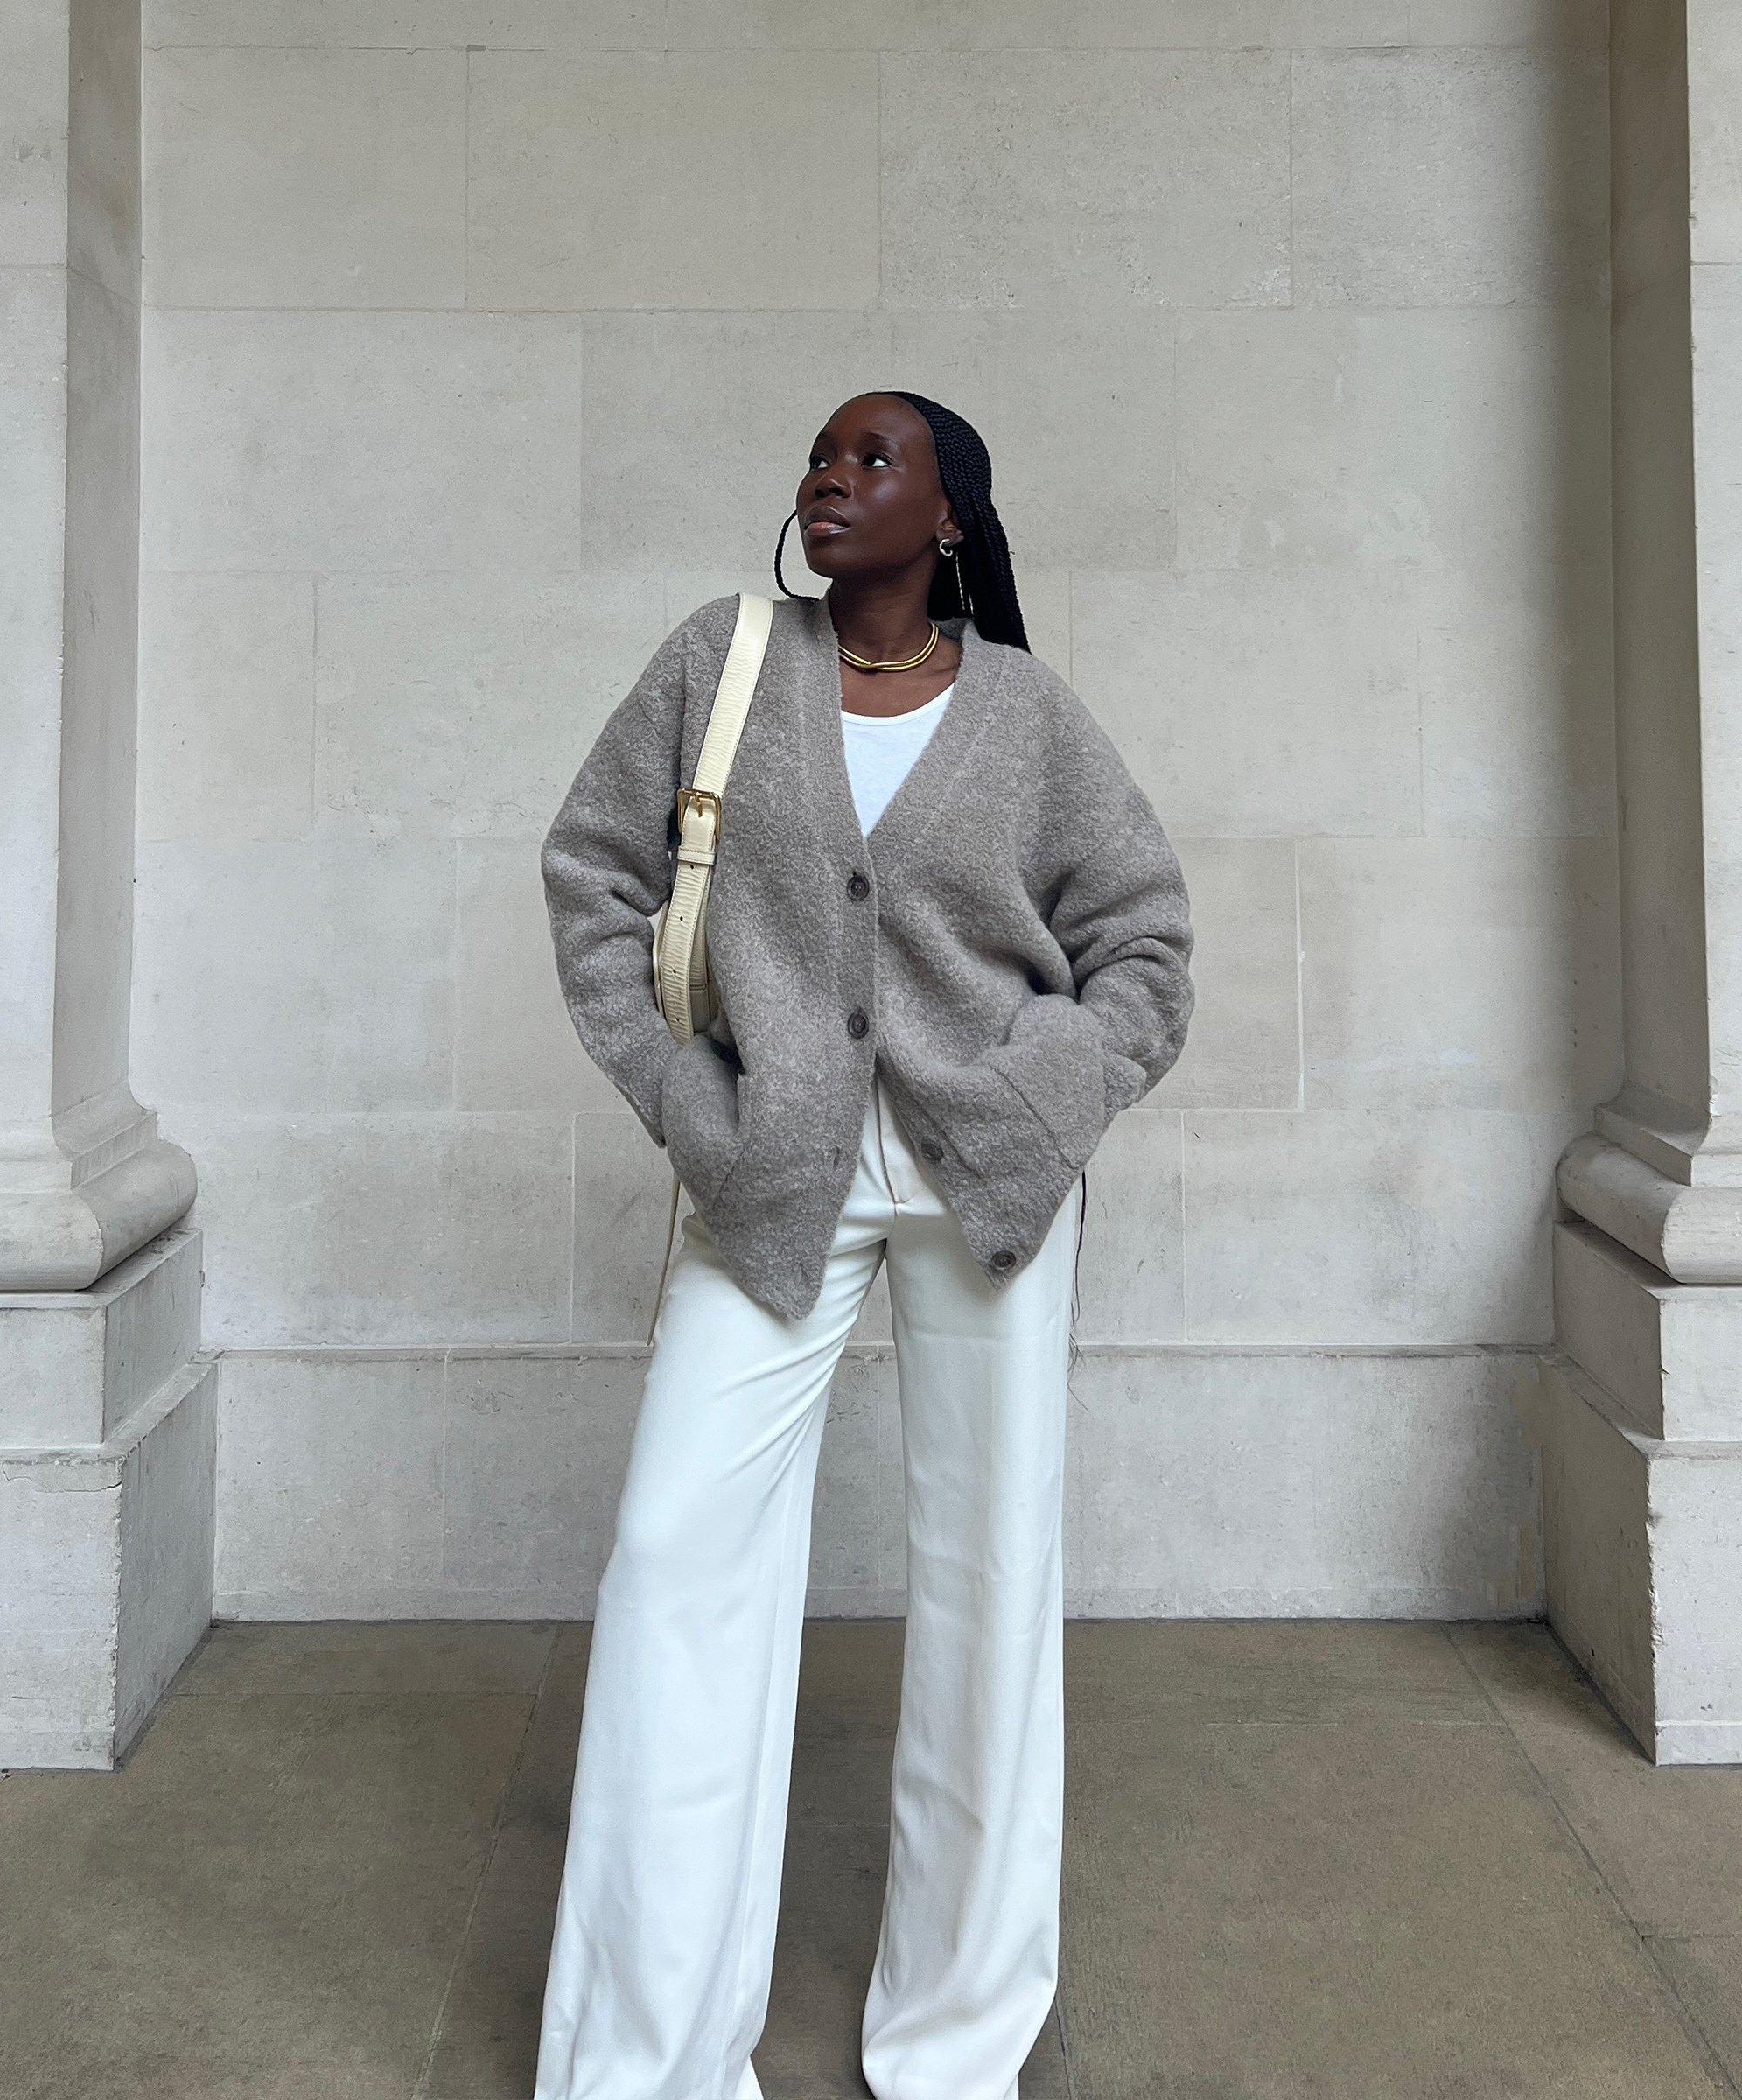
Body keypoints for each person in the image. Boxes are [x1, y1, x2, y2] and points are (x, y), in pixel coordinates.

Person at [535, 392, 1195, 2100]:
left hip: (988, 1186)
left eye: (873, 458)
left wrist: (1053, 1092)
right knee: (676, 1568)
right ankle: (643, 2063)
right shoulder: (724, 657)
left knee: (987, 1599)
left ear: (952, 516)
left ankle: (956, 2044)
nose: (831, 476)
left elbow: (1144, 947)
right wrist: (690, 1107)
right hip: (774, 1183)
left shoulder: (1028, 716)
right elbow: (593, 878)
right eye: (819, 456)